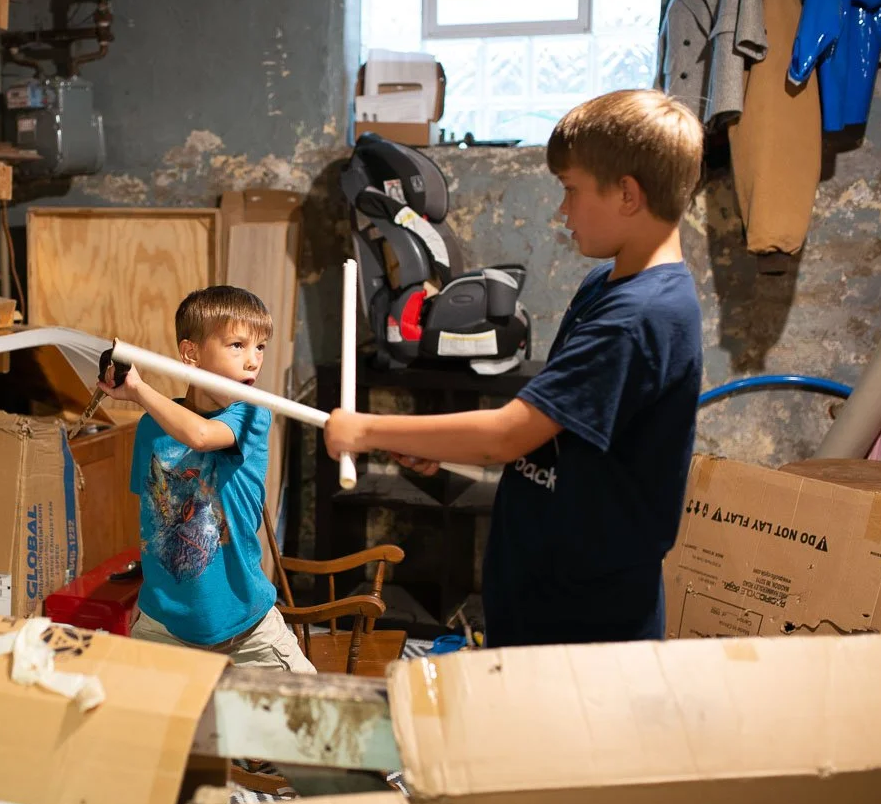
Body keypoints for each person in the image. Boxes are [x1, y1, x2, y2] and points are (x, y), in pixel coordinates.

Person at [325, 89, 705, 648]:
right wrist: (443, 452)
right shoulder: (608, 286)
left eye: (572, 191)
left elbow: (507, 435)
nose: (562, 211)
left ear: (627, 194)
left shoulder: (638, 318)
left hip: (586, 619)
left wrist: (365, 429)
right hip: (545, 590)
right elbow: (558, 440)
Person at [101, 285, 316, 671]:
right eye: (237, 345)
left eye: (260, 347)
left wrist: (137, 389)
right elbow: (152, 521)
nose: (253, 361)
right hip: (164, 626)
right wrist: (144, 596)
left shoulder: (252, 414)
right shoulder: (152, 429)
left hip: (246, 628)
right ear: (191, 353)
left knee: (317, 717)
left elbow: (199, 436)